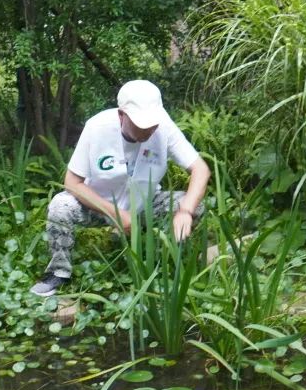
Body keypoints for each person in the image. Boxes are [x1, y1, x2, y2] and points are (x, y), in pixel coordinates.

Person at [31, 79, 211, 297]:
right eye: (140, 124)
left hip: (145, 204)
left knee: (195, 205)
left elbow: (201, 169)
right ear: (121, 115)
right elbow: (72, 182)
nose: (148, 131)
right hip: (99, 205)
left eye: (152, 124)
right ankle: (58, 272)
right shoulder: (97, 128)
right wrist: (114, 212)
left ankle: (166, 261)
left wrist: (185, 211)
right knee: (60, 205)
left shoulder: (164, 127)